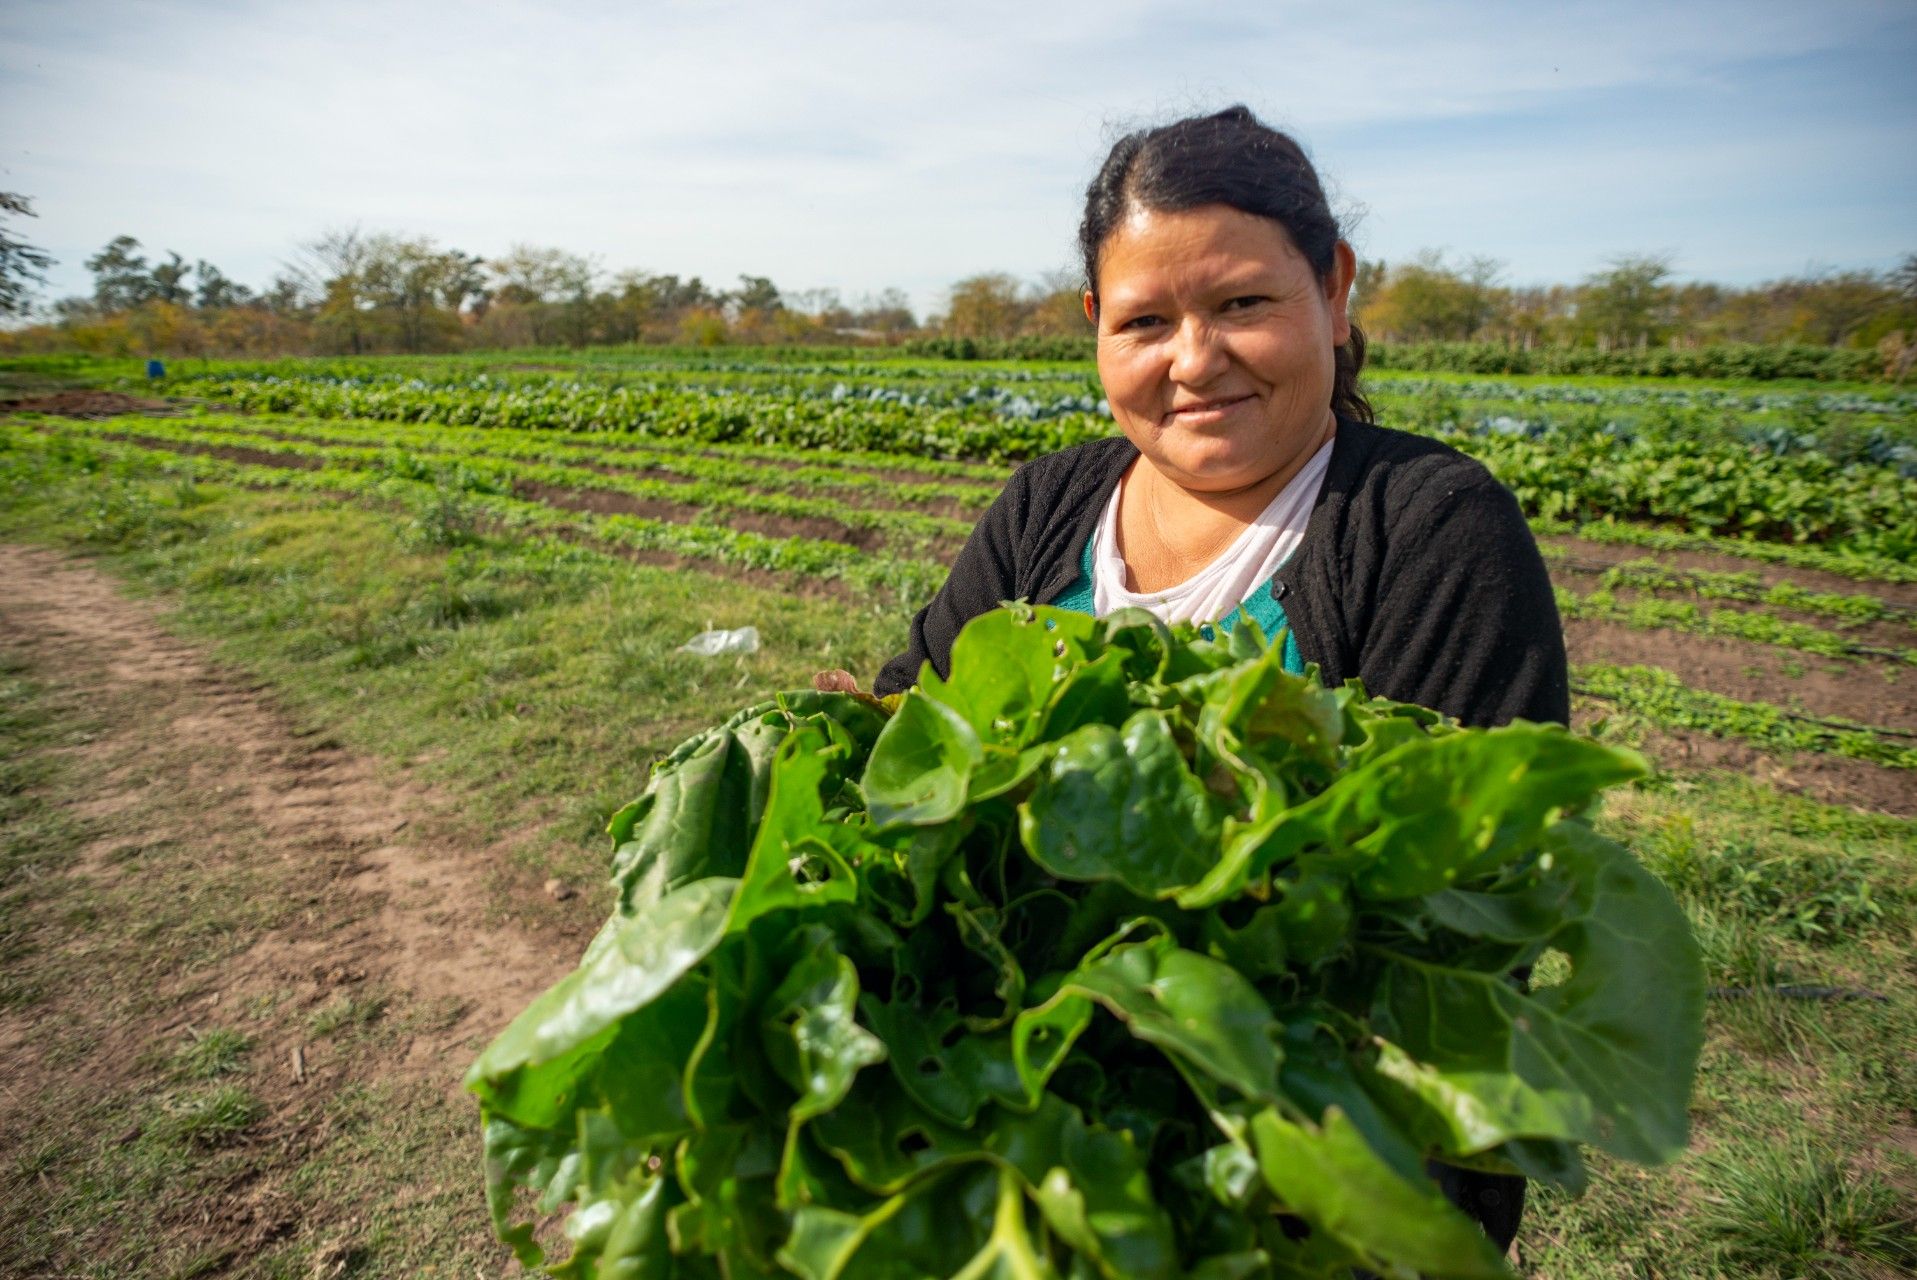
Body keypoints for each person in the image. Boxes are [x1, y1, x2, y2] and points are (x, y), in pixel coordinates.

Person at [872, 106, 1567, 1253]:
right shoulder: (1048, 506)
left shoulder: (1428, 530)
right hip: (1014, 1150)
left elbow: (1444, 918)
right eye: (1146, 320)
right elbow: (907, 729)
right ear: (1096, 327)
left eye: (1243, 302)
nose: (1195, 360)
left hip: (1313, 1188)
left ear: (1335, 293)